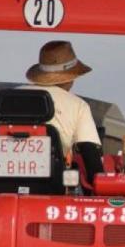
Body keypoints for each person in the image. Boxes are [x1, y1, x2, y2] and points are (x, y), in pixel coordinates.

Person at [19, 40, 104, 183]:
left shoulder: (12, 96)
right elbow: (92, 160)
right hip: (51, 184)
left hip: (4, 182)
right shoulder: (78, 106)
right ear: (71, 78)